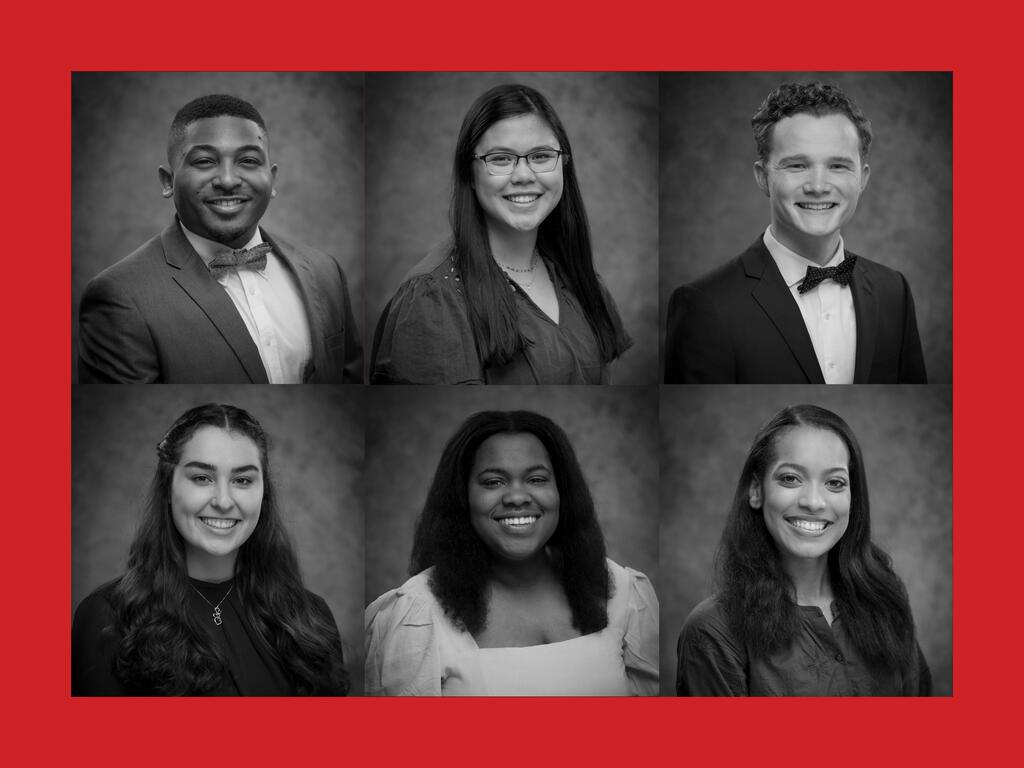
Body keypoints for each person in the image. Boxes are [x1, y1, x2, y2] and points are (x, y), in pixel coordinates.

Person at [365, 411, 658, 695]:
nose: (517, 497)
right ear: (463, 497)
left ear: (561, 493)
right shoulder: (417, 613)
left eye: (536, 479)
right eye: (494, 482)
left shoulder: (622, 592)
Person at [78, 94, 362, 383]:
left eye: (249, 160)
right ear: (168, 182)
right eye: (204, 161)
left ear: (272, 179)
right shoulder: (120, 298)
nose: (227, 180)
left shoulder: (326, 272)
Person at [72, 404, 349, 695]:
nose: (223, 501)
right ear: (168, 488)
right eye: (202, 478)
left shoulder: (311, 617)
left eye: (242, 480)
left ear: (263, 493)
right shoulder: (107, 619)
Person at [665, 82, 927, 384]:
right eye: (797, 165)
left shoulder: (894, 291)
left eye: (838, 166)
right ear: (763, 178)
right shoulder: (704, 305)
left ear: (862, 179)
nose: (817, 186)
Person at [371, 84, 632, 384]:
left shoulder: (579, 279)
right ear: (469, 172)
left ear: (564, 163)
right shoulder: (433, 301)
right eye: (500, 159)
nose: (523, 175)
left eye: (541, 156)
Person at [676, 404, 931, 696]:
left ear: (853, 499)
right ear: (757, 491)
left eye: (835, 483)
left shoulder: (886, 601)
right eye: (790, 478)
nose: (813, 502)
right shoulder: (712, 631)